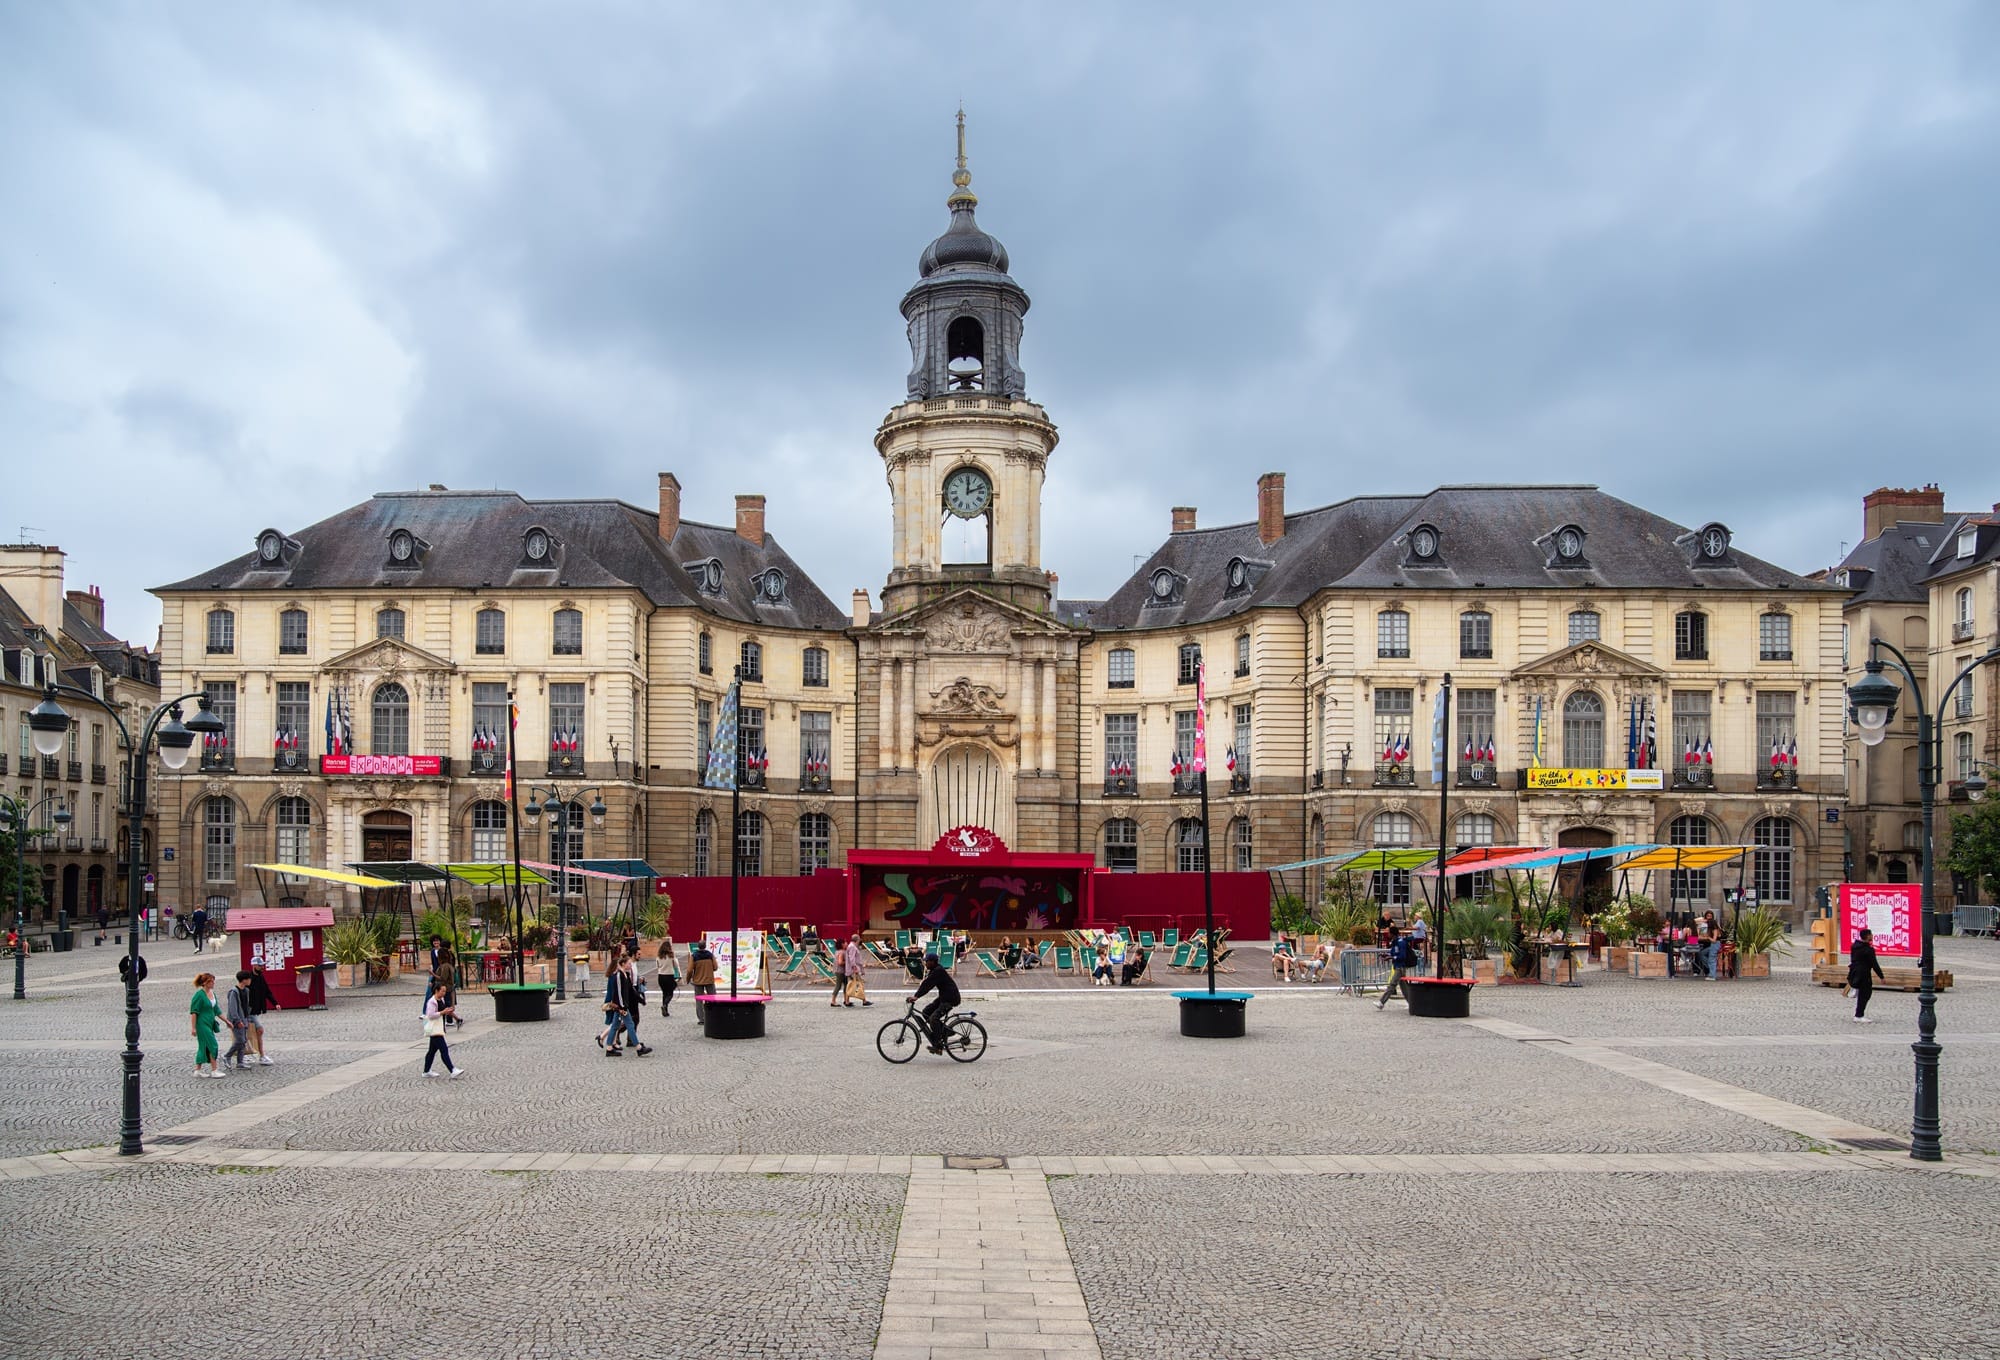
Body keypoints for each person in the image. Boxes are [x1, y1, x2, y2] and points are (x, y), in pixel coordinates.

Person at [912, 952, 961, 1054]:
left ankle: (938, 1044)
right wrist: (916, 995)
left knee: (934, 1018)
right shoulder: (934, 969)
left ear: (933, 962)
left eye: (927, 961)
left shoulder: (938, 971)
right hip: (944, 997)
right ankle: (943, 1032)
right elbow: (926, 983)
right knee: (926, 1012)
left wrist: (916, 996)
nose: (925, 963)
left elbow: (927, 985)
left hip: (950, 998)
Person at [422, 982, 461, 1078]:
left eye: (445, 991)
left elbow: (443, 1010)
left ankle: (426, 1071)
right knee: (444, 1049)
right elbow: (430, 1015)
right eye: (442, 991)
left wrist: (448, 1011)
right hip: (435, 1030)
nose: (444, 993)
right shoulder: (432, 1002)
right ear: (437, 990)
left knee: (431, 1051)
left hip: (439, 1028)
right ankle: (452, 1069)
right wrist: (443, 1012)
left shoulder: (441, 999)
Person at [1376, 927, 1421, 1010]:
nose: (1388, 934)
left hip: (1400, 967)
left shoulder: (1401, 943)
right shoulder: (1395, 942)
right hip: (1397, 966)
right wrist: (1386, 955)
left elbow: (1402, 956)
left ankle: (1381, 1002)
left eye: (1389, 932)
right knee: (1404, 987)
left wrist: (1391, 958)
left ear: (1392, 933)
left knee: (1392, 984)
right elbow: (1394, 953)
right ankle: (1412, 1003)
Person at [1849, 927, 1886, 1022]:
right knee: (1865, 994)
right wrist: (1881, 976)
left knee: (1863, 993)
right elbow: (1874, 964)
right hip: (1864, 973)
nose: (1872, 936)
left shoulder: (1854, 946)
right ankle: (1859, 1015)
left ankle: (1858, 1013)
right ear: (1867, 936)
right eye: (1871, 934)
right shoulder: (1868, 950)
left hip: (1854, 971)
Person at [189, 972, 223, 1078]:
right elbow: (194, 1012)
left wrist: (227, 1021)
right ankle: (214, 1069)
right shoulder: (199, 995)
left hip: (210, 1023)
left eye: (213, 981)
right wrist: (193, 1028)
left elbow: (216, 1009)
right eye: (211, 981)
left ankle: (197, 1070)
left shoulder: (212, 994)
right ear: (204, 983)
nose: (213, 983)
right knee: (213, 1045)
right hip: (202, 1024)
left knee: (203, 1046)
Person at [222, 971, 254, 1070]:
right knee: (241, 1040)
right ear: (244, 980)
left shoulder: (246, 991)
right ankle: (227, 1056)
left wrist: (247, 1018)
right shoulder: (234, 992)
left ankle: (240, 1062)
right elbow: (233, 1008)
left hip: (244, 1018)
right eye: (249, 979)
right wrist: (237, 1020)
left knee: (243, 1041)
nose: (250, 981)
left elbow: (246, 1006)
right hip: (236, 1021)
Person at [246, 966, 277, 1065]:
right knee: (259, 1030)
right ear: (254, 966)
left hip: (255, 1010)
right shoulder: (248, 978)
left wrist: (275, 1003)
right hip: (249, 1010)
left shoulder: (261, 977)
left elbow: (267, 991)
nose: (262, 967)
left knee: (250, 1033)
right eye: (260, 966)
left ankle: (253, 1055)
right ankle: (260, 1055)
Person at [687, 937, 718, 1023]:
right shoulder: (710, 955)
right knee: (712, 998)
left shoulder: (694, 956)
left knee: (699, 1000)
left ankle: (701, 1019)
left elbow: (689, 970)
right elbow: (715, 967)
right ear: (705, 946)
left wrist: (688, 979)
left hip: (698, 981)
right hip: (709, 980)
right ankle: (713, 1015)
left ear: (698, 946)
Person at [843, 936, 871, 1007]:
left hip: (851, 969)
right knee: (859, 984)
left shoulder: (851, 946)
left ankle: (847, 1001)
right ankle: (864, 1001)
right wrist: (855, 968)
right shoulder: (852, 947)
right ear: (857, 940)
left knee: (850, 985)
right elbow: (851, 958)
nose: (860, 941)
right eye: (859, 939)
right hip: (853, 970)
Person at [655, 938, 680, 1018]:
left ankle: (665, 1010)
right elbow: (676, 965)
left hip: (661, 976)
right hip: (669, 976)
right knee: (670, 993)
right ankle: (665, 1005)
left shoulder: (658, 956)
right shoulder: (671, 956)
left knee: (664, 993)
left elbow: (657, 966)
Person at [830, 936, 850, 1008]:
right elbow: (840, 962)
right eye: (845, 942)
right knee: (838, 986)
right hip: (840, 971)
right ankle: (833, 1001)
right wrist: (848, 962)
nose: (847, 943)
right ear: (842, 944)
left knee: (846, 985)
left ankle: (846, 1000)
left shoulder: (837, 951)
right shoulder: (842, 952)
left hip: (840, 971)